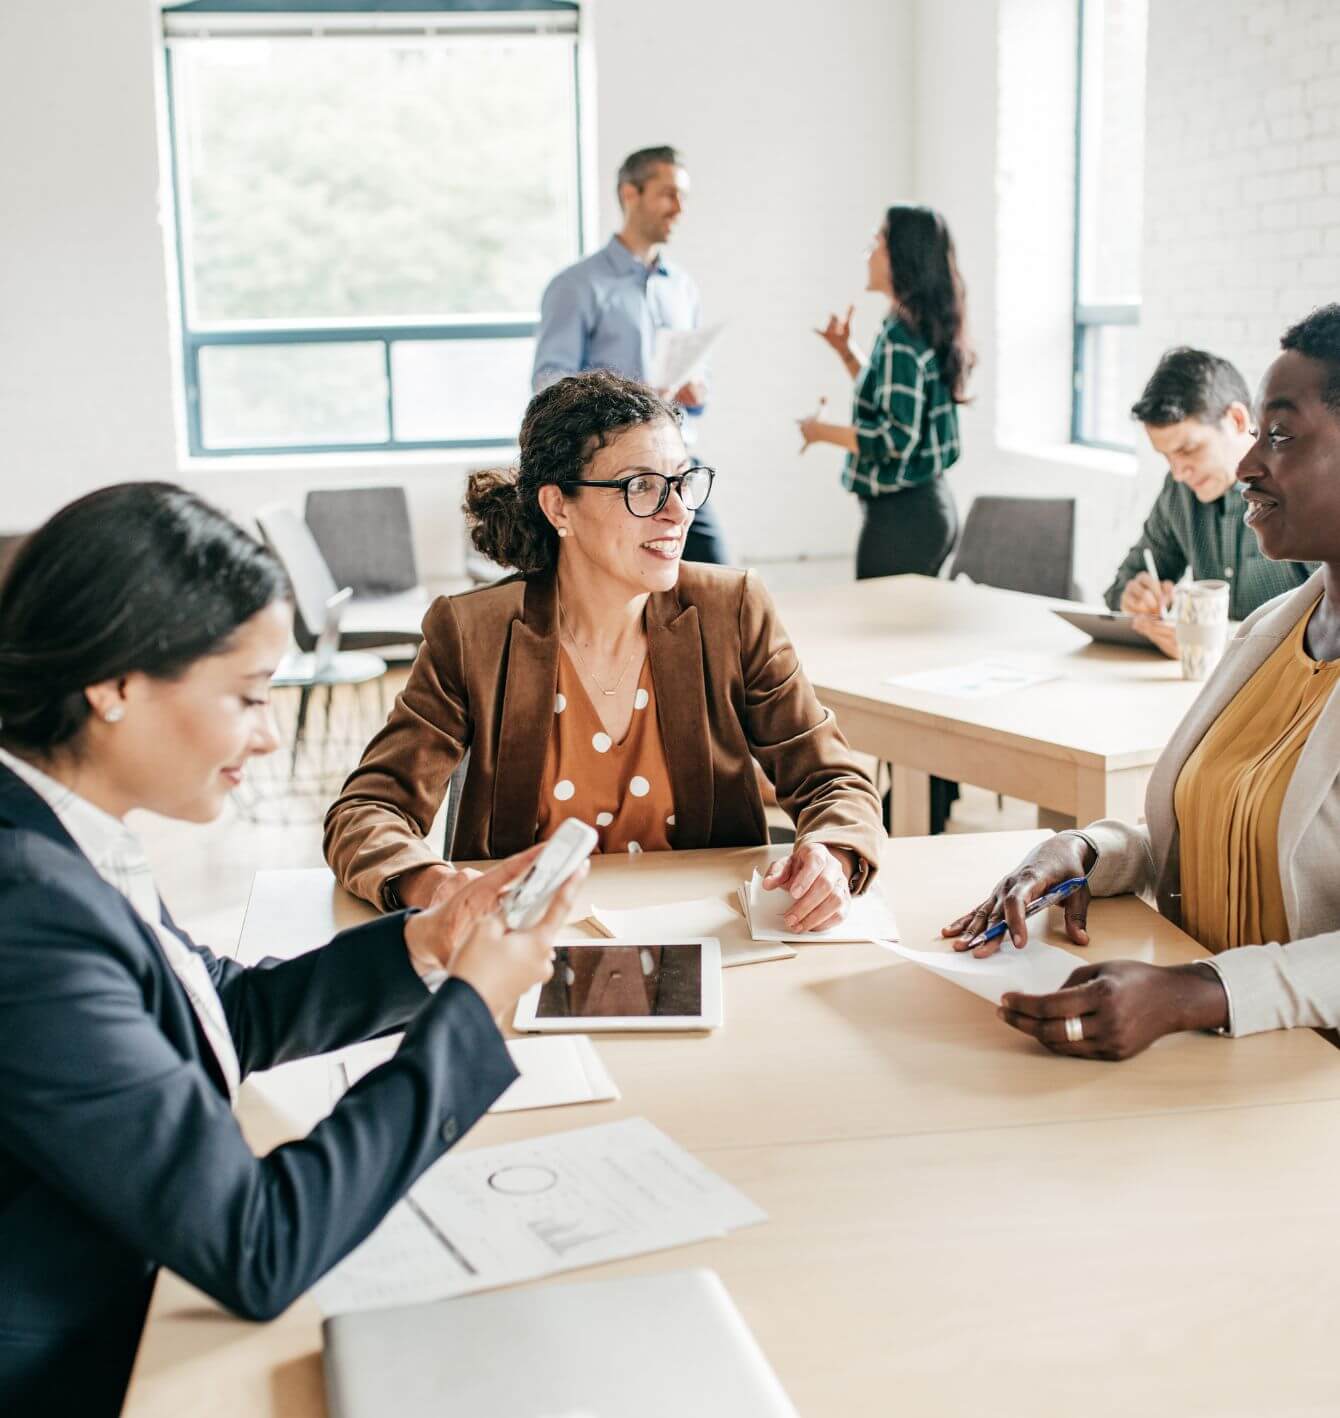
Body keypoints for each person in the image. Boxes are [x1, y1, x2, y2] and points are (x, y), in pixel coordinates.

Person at [0, 484, 580, 1413]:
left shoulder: (61, 831)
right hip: (95, 1363)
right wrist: (473, 1011)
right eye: (245, 696)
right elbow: (256, 1245)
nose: (269, 735)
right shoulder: (27, 908)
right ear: (112, 685)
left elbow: (204, 1011)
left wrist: (430, 947)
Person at [325, 370, 883, 934]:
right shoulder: (474, 633)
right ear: (558, 507)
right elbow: (367, 810)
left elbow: (834, 779)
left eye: (682, 482)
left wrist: (832, 855)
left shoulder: (732, 609)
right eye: (640, 486)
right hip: (529, 951)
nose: (677, 512)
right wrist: (437, 885)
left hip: (710, 943)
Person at [941, 305, 1340, 1061]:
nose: (1249, 465)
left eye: (1279, 435)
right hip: (1213, 1064)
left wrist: (1198, 992)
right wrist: (1087, 851)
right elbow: (1222, 828)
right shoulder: (1268, 633)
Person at [531, 145, 730, 566]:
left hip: (676, 464)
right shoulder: (577, 286)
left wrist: (696, 389)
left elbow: (702, 382)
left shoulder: (682, 288)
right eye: (668, 194)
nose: (679, 208)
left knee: (716, 578)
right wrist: (631, 396)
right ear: (629, 194)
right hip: (612, 475)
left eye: (684, 198)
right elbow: (549, 383)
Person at [1106, 345, 1318, 656]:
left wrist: (1222, 642)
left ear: (1236, 420)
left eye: (1188, 450)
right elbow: (1122, 584)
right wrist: (1133, 598)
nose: (1178, 472)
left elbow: (1331, 630)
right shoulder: (1180, 492)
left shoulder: (1305, 494)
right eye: (1166, 457)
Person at [798, 203, 973, 581]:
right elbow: (891, 399)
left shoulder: (900, 337)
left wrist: (820, 432)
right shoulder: (914, 324)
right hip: (927, 507)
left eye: (876, 243)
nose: (869, 253)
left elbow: (895, 438)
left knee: (879, 635)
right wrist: (846, 352)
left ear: (900, 256)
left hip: (904, 518)